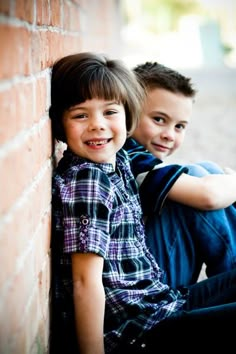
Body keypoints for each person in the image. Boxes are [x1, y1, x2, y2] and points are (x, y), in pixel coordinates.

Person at [49, 52, 236, 354]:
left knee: (203, 172)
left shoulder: (118, 157)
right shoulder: (88, 181)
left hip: (161, 302)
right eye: (81, 115)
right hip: (141, 330)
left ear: (128, 115)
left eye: (110, 112)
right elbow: (84, 282)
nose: (98, 125)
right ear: (60, 125)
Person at [124, 61, 236, 288]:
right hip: (145, 289)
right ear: (128, 111)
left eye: (180, 126)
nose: (169, 135)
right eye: (158, 119)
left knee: (205, 171)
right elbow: (209, 196)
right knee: (195, 179)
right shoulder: (129, 159)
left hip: (152, 266)